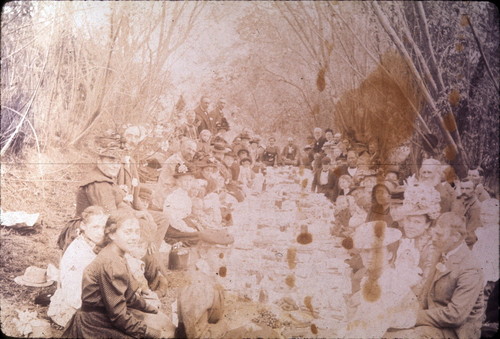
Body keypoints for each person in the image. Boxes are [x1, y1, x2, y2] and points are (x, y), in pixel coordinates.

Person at [62, 210, 175, 338]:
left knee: (165, 323)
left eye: (136, 231)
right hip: (96, 324)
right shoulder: (110, 264)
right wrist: (153, 334)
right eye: (127, 232)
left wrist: (149, 309)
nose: (134, 237)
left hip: (107, 314)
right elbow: (118, 316)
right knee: (163, 333)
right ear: (112, 234)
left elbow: (129, 296)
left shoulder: (118, 254)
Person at [385, 212, 484, 339]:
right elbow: (425, 294)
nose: (433, 238)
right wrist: (400, 313)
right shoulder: (441, 252)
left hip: (456, 332)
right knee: (381, 329)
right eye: (434, 233)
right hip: (432, 323)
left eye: (439, 235)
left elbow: (455, 316)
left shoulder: (470, 268)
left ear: (456, 236)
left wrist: (412, 317)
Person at [345, 221, 418, 338]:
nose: (370, 257)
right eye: (366, 251)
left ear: (390, 255)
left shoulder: (390, 284)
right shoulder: (372, 278)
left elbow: (374, 330)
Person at [48, 206, 108, 327]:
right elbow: (74, 297)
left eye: (103, 227)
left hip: (90, 299)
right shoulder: (78, 254)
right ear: (83, 226)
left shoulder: (93, 244)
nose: (100, 232)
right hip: (76, 310)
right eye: (95, 227)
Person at [151, 137, 197, 210]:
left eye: (193, 151)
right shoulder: (175, 160)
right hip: (165, 196)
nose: (191, 152)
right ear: (182, 148)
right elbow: (182, 183)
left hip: (171, 192)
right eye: (189, 149)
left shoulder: (182, 160)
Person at [452, 179, 482, 249]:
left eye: (468, 188)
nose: (464, 191)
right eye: (462, 188)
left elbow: (471, 235)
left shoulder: (476, 207)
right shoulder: (461, 201)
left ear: (474, 190)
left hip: (466, 246)